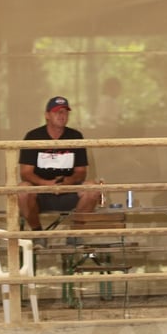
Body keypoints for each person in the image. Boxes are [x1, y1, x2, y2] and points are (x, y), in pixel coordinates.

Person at [18, 96, 101, 238]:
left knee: (93, 188)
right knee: (22, 190)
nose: (62, 116)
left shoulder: (75, 136)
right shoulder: (33, 136)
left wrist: (67, 182)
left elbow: (81, 172)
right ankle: (38, 234)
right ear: (47, 115)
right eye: (57, 112)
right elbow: (26, 173)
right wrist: (47, 184)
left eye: (65, 112)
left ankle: (74, 236)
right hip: (41, 193)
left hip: (68, 190)